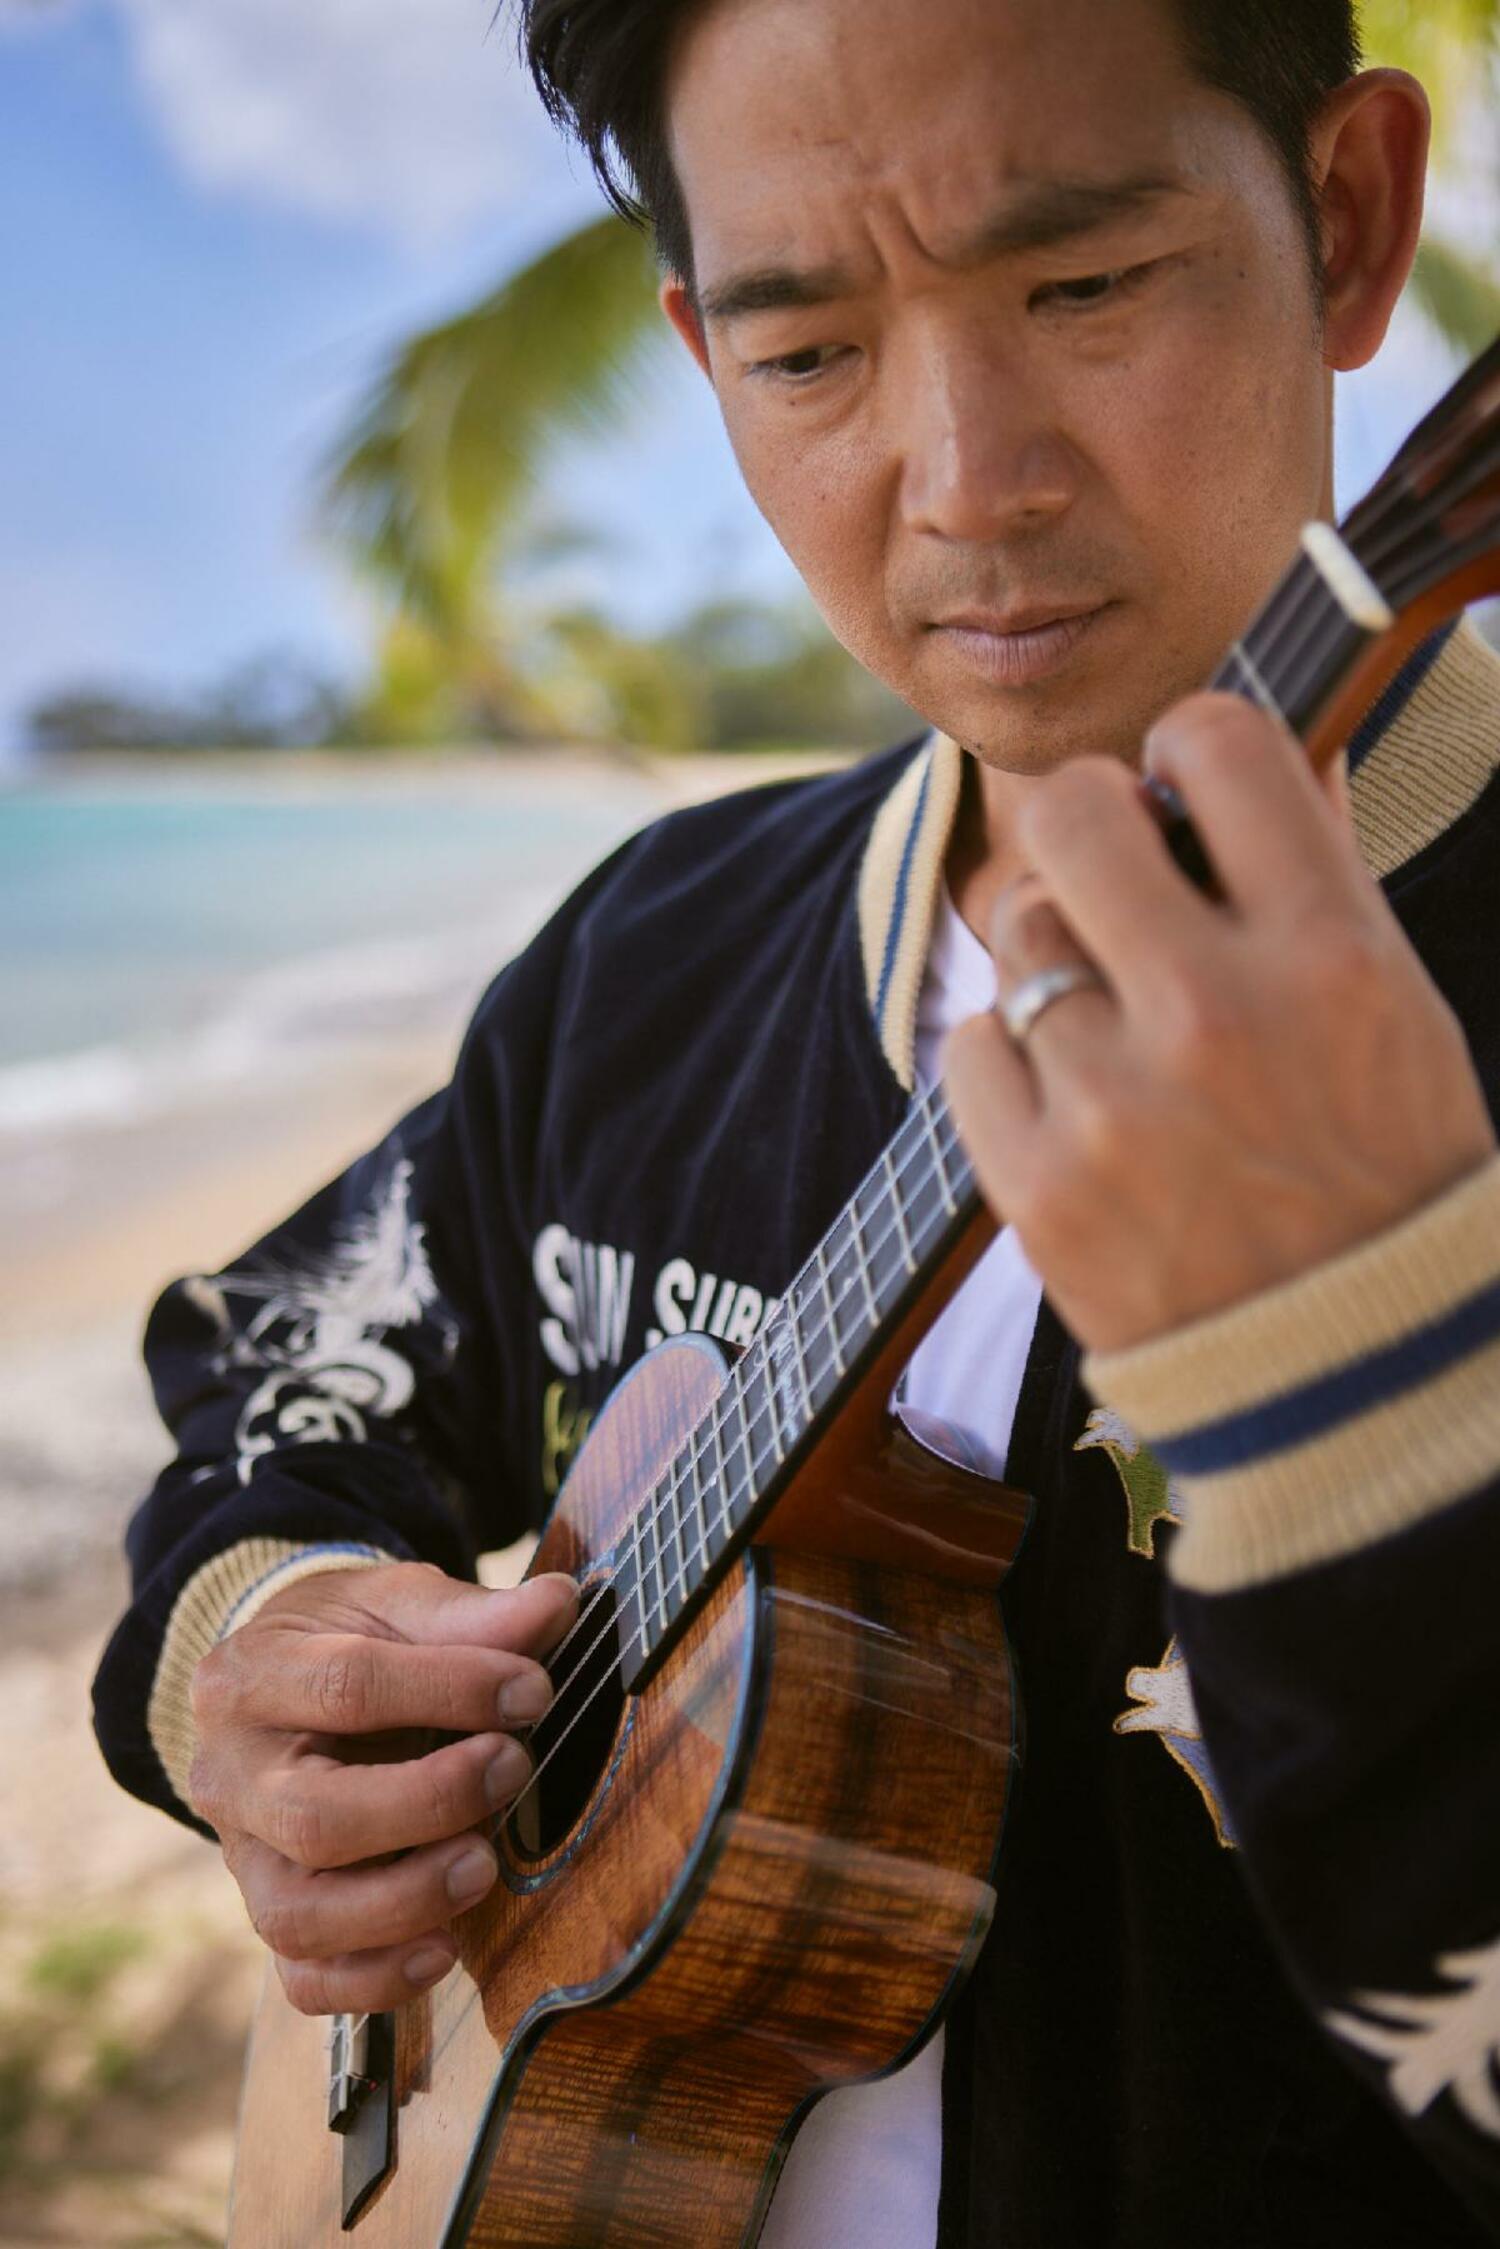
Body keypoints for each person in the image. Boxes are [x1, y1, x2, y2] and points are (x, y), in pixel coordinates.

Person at [91, 0, 1500, 2241]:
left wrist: (1369, 1415)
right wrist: (261, 1658)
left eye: (1082, 284)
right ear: (693, 345)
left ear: (1344, 221)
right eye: (808, 350)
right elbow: (292, 1351)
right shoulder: (660, 951)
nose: (964, 477)